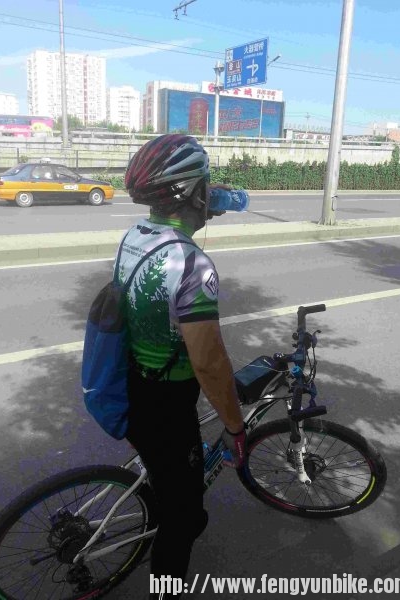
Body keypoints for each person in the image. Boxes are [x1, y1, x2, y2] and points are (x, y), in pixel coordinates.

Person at [117, 134, 246, 599]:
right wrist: (234, 427)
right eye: (206, 184)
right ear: (192, 191)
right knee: (186, 519)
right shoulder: (192, 264)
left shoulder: (136, 235)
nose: (213, 191)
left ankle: (161, 494)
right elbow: (209, 363)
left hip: (132, 383)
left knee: (165, 479)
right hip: (167, 406)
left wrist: (198, 213)